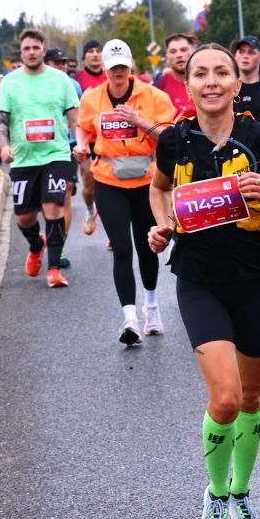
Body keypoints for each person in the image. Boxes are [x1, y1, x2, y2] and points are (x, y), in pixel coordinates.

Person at [147, 43, 260, 519]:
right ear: (188, 84)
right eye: (201, 74)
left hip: (257, 278)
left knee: (252, 397)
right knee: (226, 398)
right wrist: (163, 227)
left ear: (238, 84)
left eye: (221, 73)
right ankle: (216, 494)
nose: (211, 82)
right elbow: (159, 188)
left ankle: (241, 491)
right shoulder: (174, 141)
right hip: (200, 279)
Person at [76, 39, 176, 345]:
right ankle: (130, 319)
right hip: (108, 180)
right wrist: (81, 144)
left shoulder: (153, 96)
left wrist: (139, 122)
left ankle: (152, 308)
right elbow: (84, 127)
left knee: (147, 247)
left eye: (122, 66)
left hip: (147, 181)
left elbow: (169, 136)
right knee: (121, 249)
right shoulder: (92, 97)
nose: (118, 72)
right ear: (105, 69)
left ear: (130, 65)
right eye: (112, 67)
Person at [0, 28, 79, 288]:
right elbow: (0, 121)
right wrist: (4, 146)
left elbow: (74, 117)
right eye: (26, 49)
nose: (31, 52)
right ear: (21, 53)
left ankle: (54, 269)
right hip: (24, 158)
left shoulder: (60, 80)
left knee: (54, 208)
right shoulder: (10, 82)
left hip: (56, 154)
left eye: (35, 48)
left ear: (43, 50)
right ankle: (36, 244)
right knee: (24, 217)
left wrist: (81, 143)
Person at [45, 47, 84, 269]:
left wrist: (81, 142)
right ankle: (45, 237)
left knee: (65, 193)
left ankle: (59, 246)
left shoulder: (73, 85)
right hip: (40, 146)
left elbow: (80, 116)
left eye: (63, 63)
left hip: (66, 145)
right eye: (56, 63)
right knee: (44, 201)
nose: (61, 67)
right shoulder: (36, 84)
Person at [77, 40, 107, 235]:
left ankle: (113, 231)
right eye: (90, 51)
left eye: (98, 51)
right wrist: (80, 142)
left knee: (113, 186)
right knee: (89, 184)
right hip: (88, 139)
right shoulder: (77, 79)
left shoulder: (110, 75)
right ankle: (90, 210)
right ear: (84, 57)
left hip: (110, 139)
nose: (95, 54)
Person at [154, 33, 197, 120]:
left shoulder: (208, 83)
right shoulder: (158, 87)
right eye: (173, 51)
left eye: (183, 50)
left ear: (194, 52)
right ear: (167, 58)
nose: (179, 55)